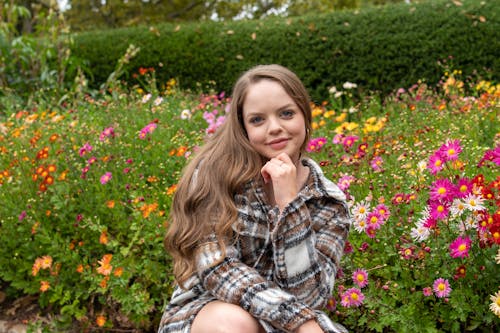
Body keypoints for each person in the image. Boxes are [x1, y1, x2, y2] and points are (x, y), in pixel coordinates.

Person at [158, 64, 351, 333]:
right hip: (209, 313)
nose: (274, 128)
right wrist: (302, 321)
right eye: (257, 120)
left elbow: (310, 297)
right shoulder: (215, 175)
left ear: (305, 117)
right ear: (243, 127)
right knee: (235, 324)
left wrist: (290, 205)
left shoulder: (329, 202)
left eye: (286, 113)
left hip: (289, 323)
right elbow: (219, 271)